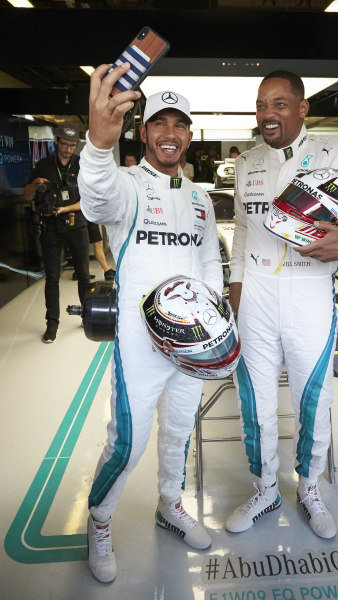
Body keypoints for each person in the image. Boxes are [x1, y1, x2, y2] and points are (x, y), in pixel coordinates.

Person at [226, 70, 338, 540]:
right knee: (253, 400)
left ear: (302, 108)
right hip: (255, 293)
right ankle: (264, 488)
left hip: (309, 292)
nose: (268, 114)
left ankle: (310, 487)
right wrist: (236, 296)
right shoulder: (246, 163)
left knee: (313, 402)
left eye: (279, 104)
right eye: (261, 105)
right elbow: (240, 234)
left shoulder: (337, 155)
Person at [78, 63, 222, 583]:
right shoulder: (126, 184)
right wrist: (98, 145)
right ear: (144, 132)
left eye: (179, 124)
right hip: (139, 342)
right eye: (159, 123)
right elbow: (95, 199)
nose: (170, 133)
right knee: (129, 439)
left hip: (190, 343)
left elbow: (209, 263)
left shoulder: (202, 198)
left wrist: (212, 323)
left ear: (188, 135)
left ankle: (169, 505)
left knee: (179, 428)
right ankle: (99, 518)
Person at [24, 123, 90, 343]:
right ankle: (52, 324)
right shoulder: (43, 165)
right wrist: (36, 183)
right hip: (50, 227)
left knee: (83, 274)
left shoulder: (82, 165)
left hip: (77, 223)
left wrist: (66, 208)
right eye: (65, 144)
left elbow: (90, 199)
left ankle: (87, 316)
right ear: (56, 142)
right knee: (52, 278)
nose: (68, 149)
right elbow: (27, 195)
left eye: (73, 145)